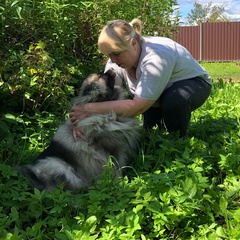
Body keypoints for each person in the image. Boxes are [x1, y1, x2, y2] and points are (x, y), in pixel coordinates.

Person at [70, 18, 212, 138]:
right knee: (149, 133)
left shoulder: (156, 58)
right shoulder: (117, 59)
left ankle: (178, 143)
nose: (112, 61)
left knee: (174, 101)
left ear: (133, 43)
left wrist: (88, 108)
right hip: (156, 94)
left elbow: (138, 106)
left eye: (116, 54)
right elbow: (108, 98)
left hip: (194, 85)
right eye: (108, 55)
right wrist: (82, 121)